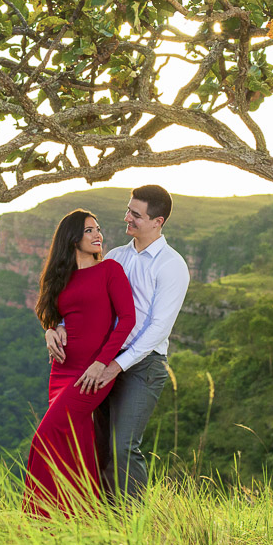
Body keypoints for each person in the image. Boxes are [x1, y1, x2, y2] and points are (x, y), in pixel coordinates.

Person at [45, 185, 190, 500]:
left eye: (136, 215)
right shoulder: (114, 257)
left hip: (143, 365)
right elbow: (85, 303)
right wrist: (55, 326)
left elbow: (158, 328)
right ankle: (99, 521)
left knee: (123, 445)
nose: (127, 218)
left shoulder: (171, 265)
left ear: (158, 221)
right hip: (102, 358)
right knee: (96, 445)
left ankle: (130, 523)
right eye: (128, 210)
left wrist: (115, 366)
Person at [22, 209, 135, 518]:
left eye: (98, 229)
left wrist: (102, 363)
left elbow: (127, 320)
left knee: (44, 438)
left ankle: (36, 520)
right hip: (61, 371)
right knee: (77, 443)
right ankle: (83, 521)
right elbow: (50, 314)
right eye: (89, 230)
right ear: (72, 238)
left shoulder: (110, 270)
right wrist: (49, 331)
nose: (98, 234)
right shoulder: (61, 276)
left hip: (93, 372)